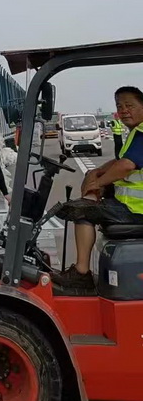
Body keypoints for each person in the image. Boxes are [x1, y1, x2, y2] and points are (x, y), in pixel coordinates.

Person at [53, 86, 143, 293]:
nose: (124, 111)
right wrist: (96, 172)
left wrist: (98, 183)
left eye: (129, 105)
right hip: (132, 207)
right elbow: (119, 161)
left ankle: (81, 273)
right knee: (87, 203)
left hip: (137, 211)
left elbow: (126, 166)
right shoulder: (136, 133)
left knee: (82, 211)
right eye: (119, 106)